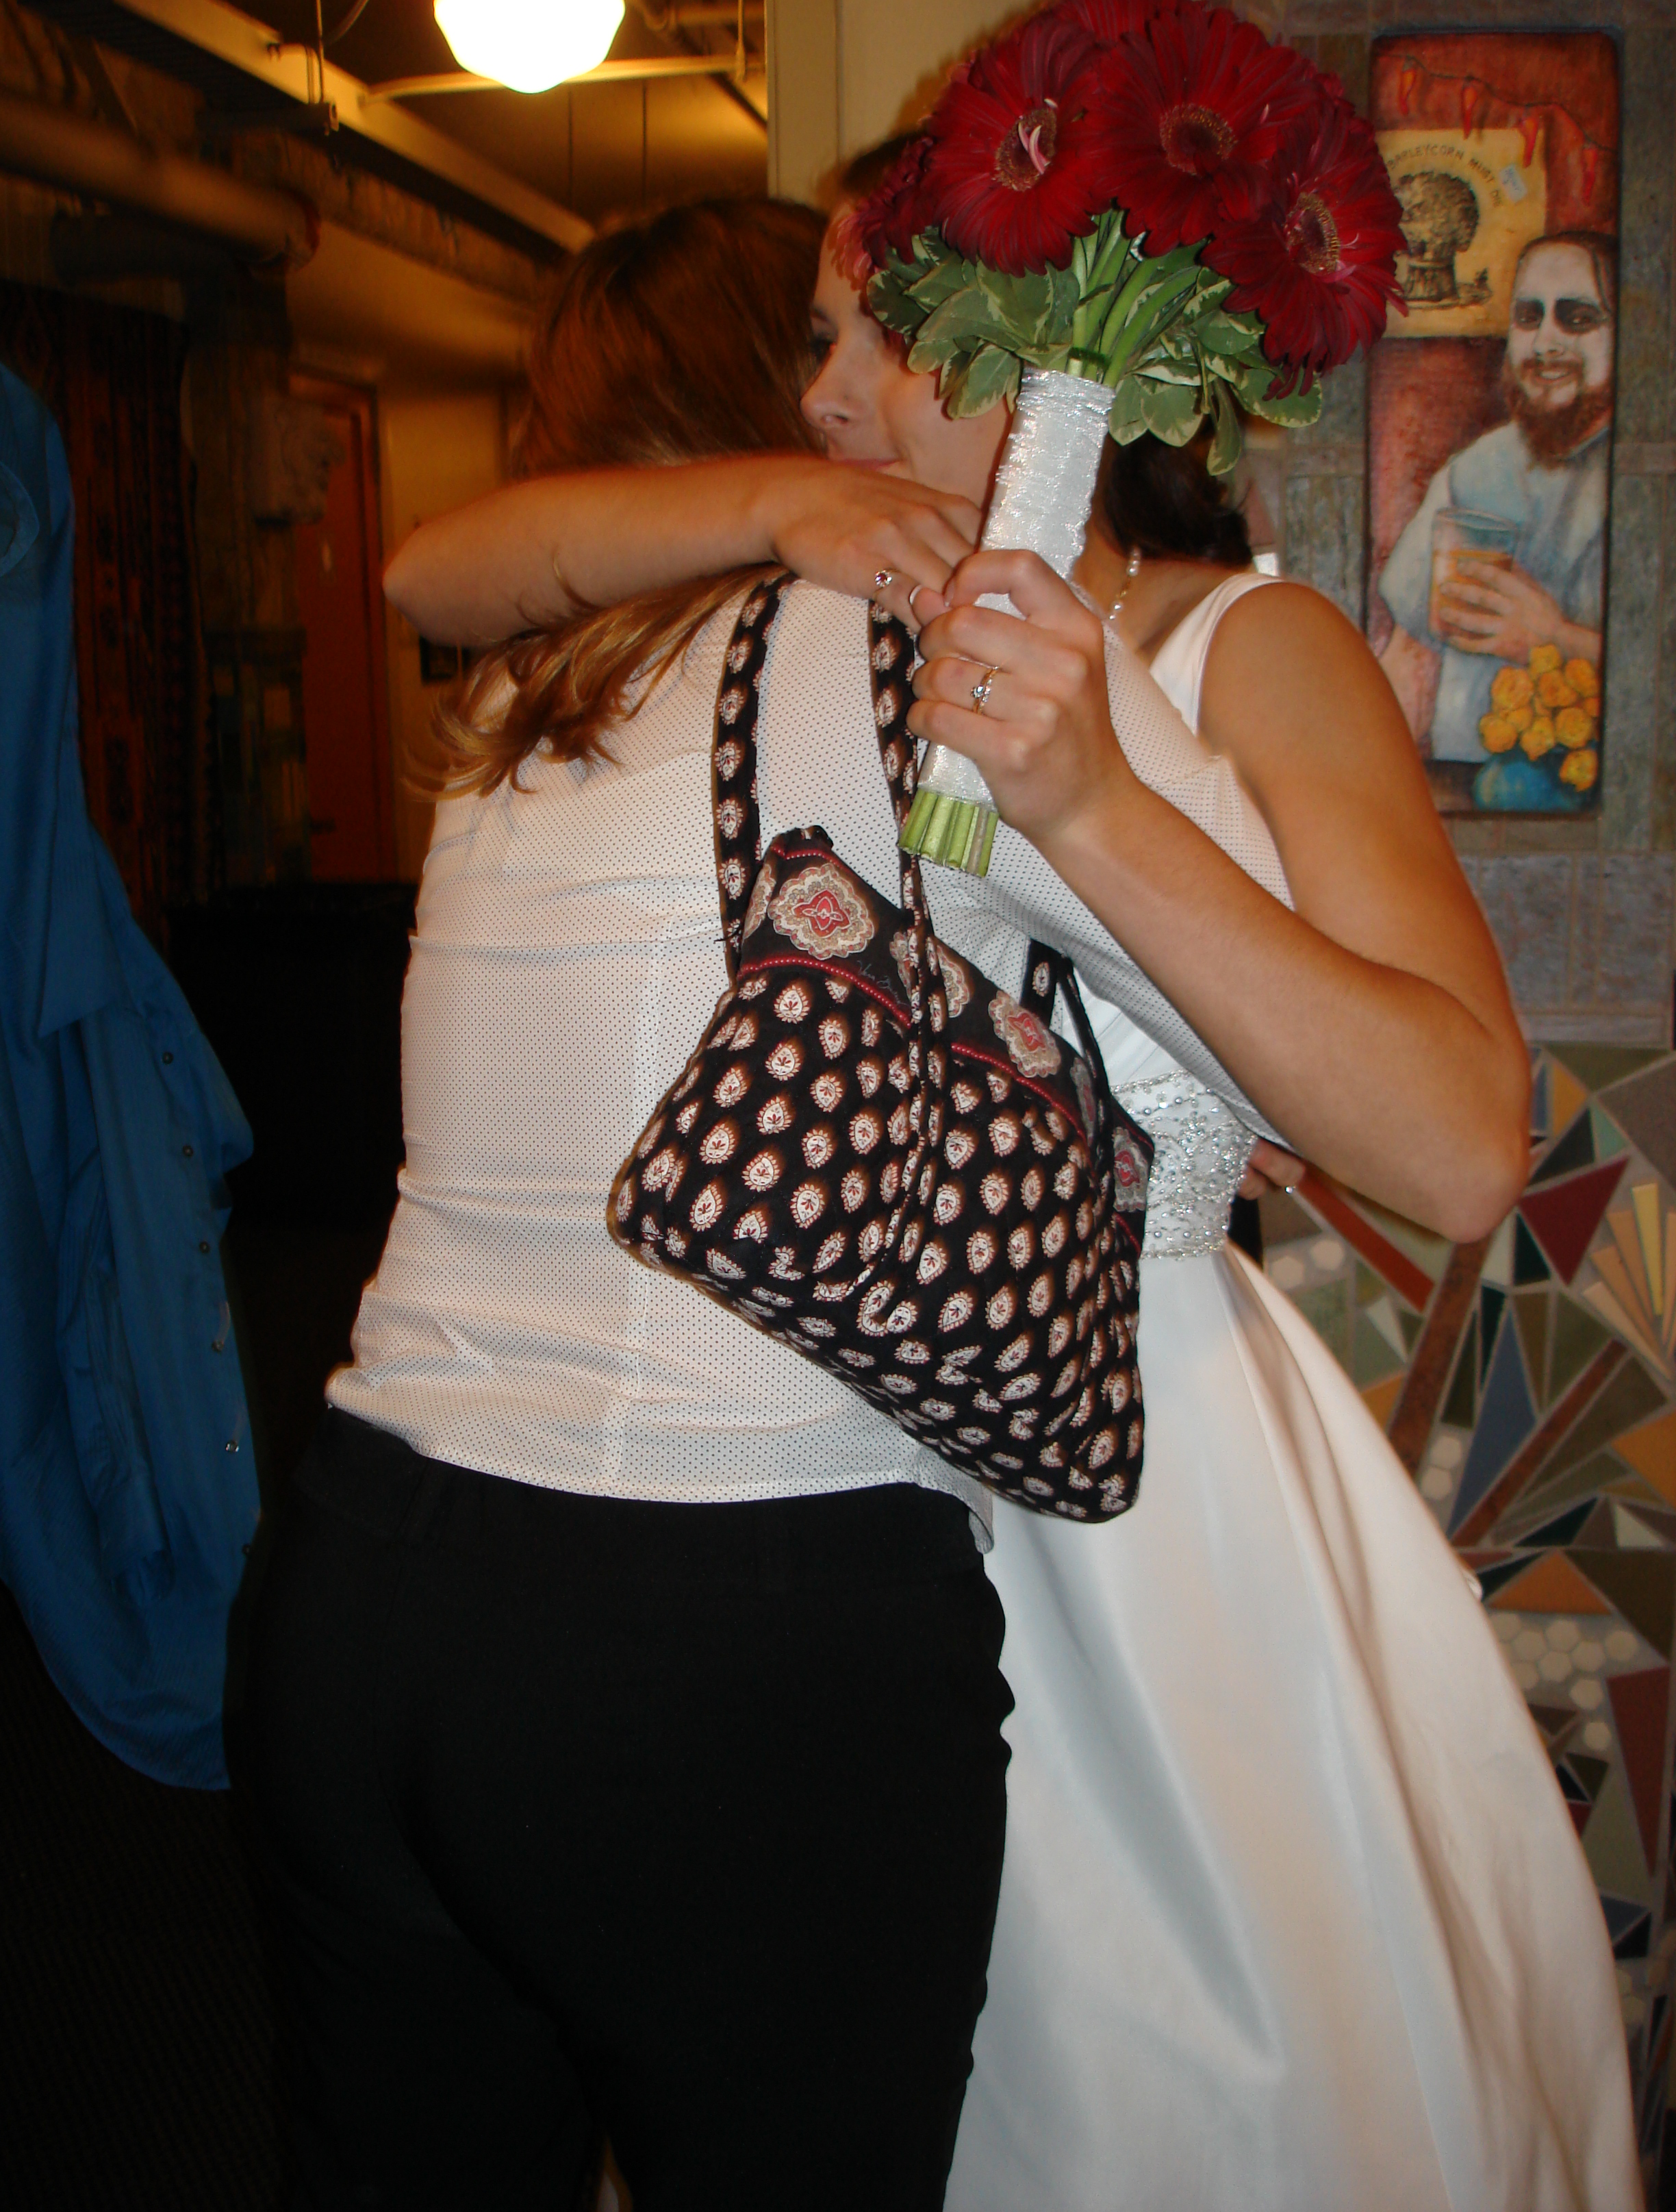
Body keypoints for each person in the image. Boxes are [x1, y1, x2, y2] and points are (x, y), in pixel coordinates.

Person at [385, 162, 1638, 2209]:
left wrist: (1094, 803)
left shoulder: (1239, 641)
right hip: (798, 1484)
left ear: (1067, 351)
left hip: (1132, 1510)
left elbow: (1457, 1142)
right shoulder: (788, 622)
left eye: (888, 335)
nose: (831, 394)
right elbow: (445, 572)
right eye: (820, 338)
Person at [243, 199, 1018, 2212]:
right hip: (727, 1612)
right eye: (834, 342)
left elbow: (438, 564)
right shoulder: (896, 656)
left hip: (369, 1573)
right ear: (783, 393)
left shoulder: (519, 695)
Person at [1377, 231, 1615, 768]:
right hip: (1464, 790)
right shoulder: (1473, 472)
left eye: (1577, 319)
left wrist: (1554, 639)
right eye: (1529, 318)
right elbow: (1411, 663)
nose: (1546, 342)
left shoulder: (1649, 477)